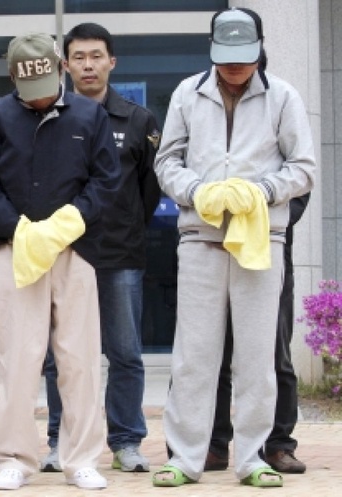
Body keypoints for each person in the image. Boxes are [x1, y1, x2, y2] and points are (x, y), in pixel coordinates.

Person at [152, 7, 315, 488]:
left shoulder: (283, 96)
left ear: (260, 47)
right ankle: (185, 457)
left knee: (257, 356)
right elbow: (167, 162)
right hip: (199, 239)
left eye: (244, 57)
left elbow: (303, 167)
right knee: (193, 355)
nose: (235, 67)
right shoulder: (187, 92)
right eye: (226, 58)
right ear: (212, 50)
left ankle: (251, 458)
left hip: (261, 241)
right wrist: (196, 190)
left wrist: (261, 192)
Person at [0, 32, 120, 491]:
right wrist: (17, 230)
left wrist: (70, 221)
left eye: (48, 86)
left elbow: (106, 180)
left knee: (79, 358)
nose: (39, 100)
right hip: (15, 250)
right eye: (29, 93)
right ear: (14, 78)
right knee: (18, 357)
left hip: (75, 250)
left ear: (59, 68)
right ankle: (14, 456)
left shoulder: (90, 114)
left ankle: (82, 459)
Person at [41, 22, 161, 473]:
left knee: (125, 353)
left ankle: (126, 440)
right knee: (61, 355)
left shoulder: (137, 119)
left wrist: (126, 226)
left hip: (119, 255)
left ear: (112, 61)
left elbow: (149, 190)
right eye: (79, 57)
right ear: (65, 65)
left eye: (96, 56)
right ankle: (60, 439)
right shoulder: (48, 114)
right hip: (65, 254)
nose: (88, 65)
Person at [208, 193, 310, 474]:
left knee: (276, 355)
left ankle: (279, 445)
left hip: (270, 251)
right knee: (216, 353)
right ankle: (214, 446)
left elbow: (297, 195)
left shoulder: (282, 149)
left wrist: (252, 209)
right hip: (216, 249)